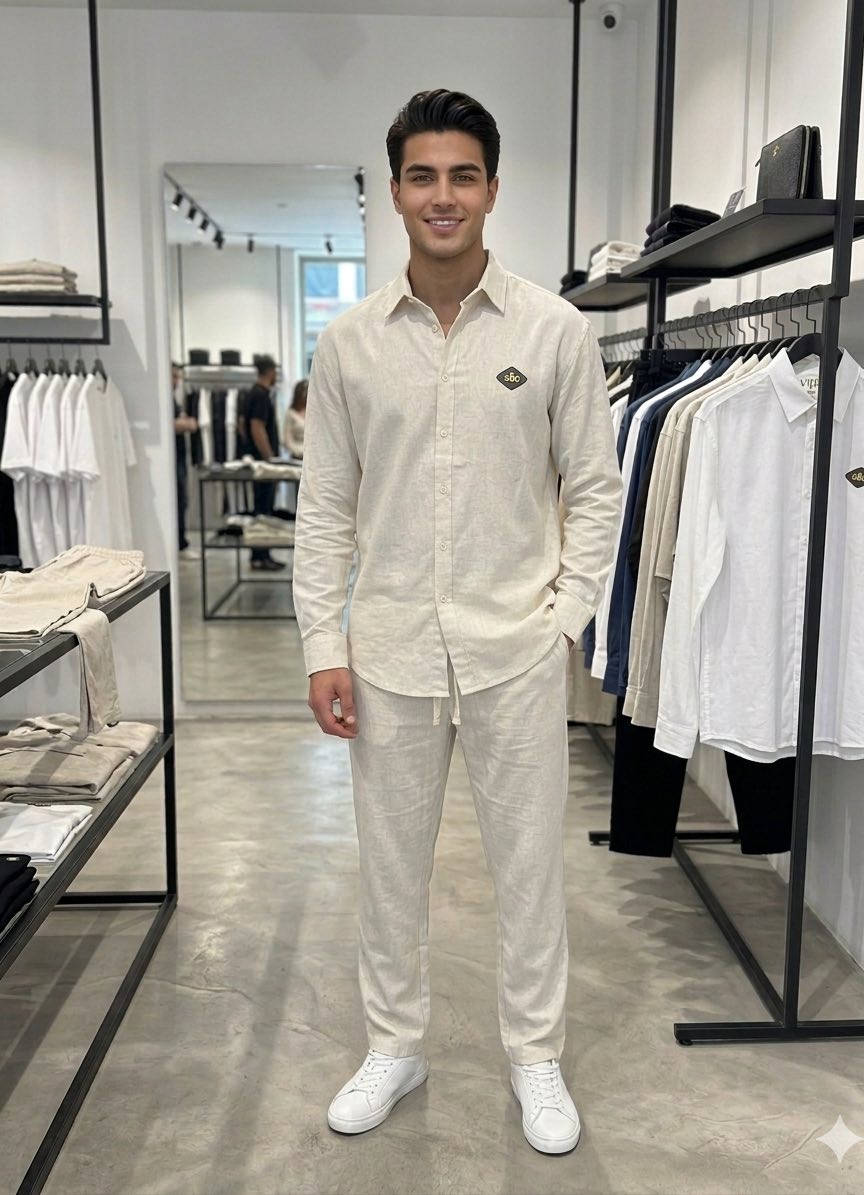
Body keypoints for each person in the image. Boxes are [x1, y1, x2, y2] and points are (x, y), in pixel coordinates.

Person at [293, 90, 622, 1154]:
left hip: (514, 645)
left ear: (491, 188)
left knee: (528, 867)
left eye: (462, 175)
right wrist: (323, 645)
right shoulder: (349, 344)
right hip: (387, 648)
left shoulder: (554, 330)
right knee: (390, 868)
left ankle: (534, 1054)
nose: (443, 196)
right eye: (423, 176)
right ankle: (394, 1044)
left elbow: (596, 487)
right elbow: (324, 509)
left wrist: (564, 617)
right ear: (395, 192)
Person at [245, 353, 285, 572]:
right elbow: (257, 427)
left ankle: (261, 555)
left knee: (262, 509)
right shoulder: (260, 395)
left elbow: (242, 425)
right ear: (270, 372)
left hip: (257, 462)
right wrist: (269, 459)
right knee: (263, 511)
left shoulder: (253, 393)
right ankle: (260, 556)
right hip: (263, 465)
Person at [172, 362, 199, 559]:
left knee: (182, 499)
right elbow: (173, 424)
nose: (177, 381)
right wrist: (186, 423)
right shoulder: (164, 398)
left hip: (179, 456)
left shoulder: (171, 398)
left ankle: (181, 542)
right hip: (173, 459)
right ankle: (180, 545)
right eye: (174, 376)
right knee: (179, 499)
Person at [284, 379, 307, 460]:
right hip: (297, 456)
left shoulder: (312, 412)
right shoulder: (290, 413)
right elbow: (287, 440)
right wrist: (300, 452)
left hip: (313, 456)